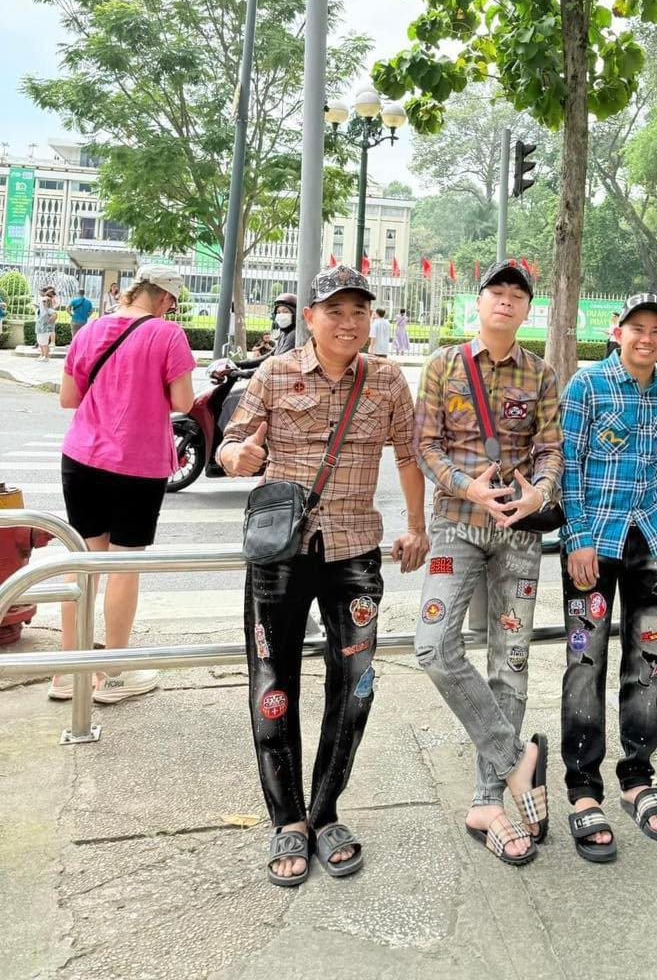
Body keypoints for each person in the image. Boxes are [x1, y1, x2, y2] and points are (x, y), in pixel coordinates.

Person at [219, 264, 429, 888]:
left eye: (359, 311)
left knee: (356, 683)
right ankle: (287, 819)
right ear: (309, 318)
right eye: (334, 311)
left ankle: (325, 811)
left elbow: (409, 456)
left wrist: (416, 526)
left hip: (355, 552)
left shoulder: (387, 379)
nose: (348, 322)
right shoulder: (274, 372)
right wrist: (239, 456)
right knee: (272, 677)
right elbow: (231, 444)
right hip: (280, 553)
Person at [413, 258, 563, 868]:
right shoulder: (443, 365)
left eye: (516, 295)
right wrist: (467, 487)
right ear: (477, 303)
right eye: (495, 292)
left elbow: (550, 449)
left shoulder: (541, 373)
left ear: (527, 310)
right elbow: (425, 445)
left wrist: (538, 494)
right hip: (456, 525)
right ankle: (518, 758)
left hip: (519, 534)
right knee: (433, 646)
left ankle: (487, 801)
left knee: (511, 662)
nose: (505, 301)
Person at [560, 293, 657, 863]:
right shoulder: (587, 386)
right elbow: (567, 464)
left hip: (651, 537)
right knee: (585, 659)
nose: (646, 337)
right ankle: (582, 785)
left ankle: (637, 774)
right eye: (636, 327)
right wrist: (577, 537)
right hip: (594, 542)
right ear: (617, 332)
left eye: (656, 330)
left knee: (649, 658)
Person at [52, 264, 196, 704]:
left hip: (81, 457)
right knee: (124, 564)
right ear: (165, 298)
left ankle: (65, 673)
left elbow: (68, 399)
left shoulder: (90, 330)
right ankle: (113, 674)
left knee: (85, 562)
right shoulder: (168, 334)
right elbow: (184, 401)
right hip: (137, 463)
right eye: (172, 303)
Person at [35, 287, 59, 358]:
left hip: (44, 329)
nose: (43, 303)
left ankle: (46, 356)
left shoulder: (49, 310)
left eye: (45, 301)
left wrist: (52, 318)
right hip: (40, 328)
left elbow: (55, 314)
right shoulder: (42, 309)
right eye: (43, 301)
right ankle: (43, 355)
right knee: (40, 342)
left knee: (44, 342)